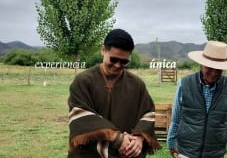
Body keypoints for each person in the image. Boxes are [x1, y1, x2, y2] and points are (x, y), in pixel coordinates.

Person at [67, 28, 161, 158]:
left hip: (127, 154)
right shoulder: (83, 81)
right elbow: (81, 116)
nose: (117, 65)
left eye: (124, 62)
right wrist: (117, 138)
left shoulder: (137, 84)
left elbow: (147, 113)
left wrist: (138, 138)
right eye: (113, 59)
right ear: (103, 50)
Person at [167, 41, 227, 158]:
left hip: (215, 153)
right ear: (201, 64)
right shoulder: (184, 84)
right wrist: (171, 143)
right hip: (186, 152)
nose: (213, 73)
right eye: (209, 67)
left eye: (218, 69)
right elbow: (176, 118)